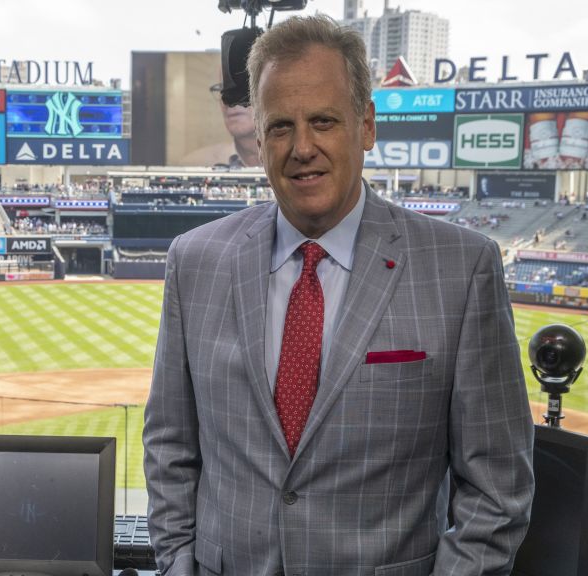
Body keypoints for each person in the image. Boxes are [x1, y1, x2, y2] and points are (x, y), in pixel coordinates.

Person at [142, 15, 534, 576]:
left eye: (324, 121)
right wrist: (178, 560)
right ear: (258, 134)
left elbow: (498, 490)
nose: (302, 147)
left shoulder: (462, 268)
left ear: (366, 125)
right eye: (280, 126)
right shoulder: (195, 260)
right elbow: (169, 444)